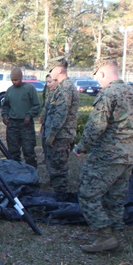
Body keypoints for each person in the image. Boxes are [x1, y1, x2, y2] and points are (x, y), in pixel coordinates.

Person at [73, 59, 133, 253]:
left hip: (108, 156)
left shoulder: (108, 94)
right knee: (115, 198)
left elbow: (96, 126)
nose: (98, 82)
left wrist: (81, 147)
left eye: (97, 78)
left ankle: (105, 235)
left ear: (102, 74)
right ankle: (115, 235)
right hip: (128, 155)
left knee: (88, 194)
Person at [41, 59, 79, 200]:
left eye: (52, 70)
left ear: (60, 70)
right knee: (55, 166)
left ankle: (61, 198)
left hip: (61, 136)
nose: (50, 73)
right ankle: (59, 194)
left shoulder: (66, 88)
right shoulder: (62, 88)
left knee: (59, 168)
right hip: (59, 135)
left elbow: (60, 114)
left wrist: (51, 135)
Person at [0, 67, 41, 167]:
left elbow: (37, 105)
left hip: (26, 124)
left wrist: (29, 115)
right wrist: (5, 116)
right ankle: (15, 171)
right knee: (13, 151)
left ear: (21, 78)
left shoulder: (29, 89)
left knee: (28, 150)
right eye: (12, 80)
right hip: (13, 124)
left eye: (16, 80)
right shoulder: (9, 91)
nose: (14, 82)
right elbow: (5, 106)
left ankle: (31, 171)